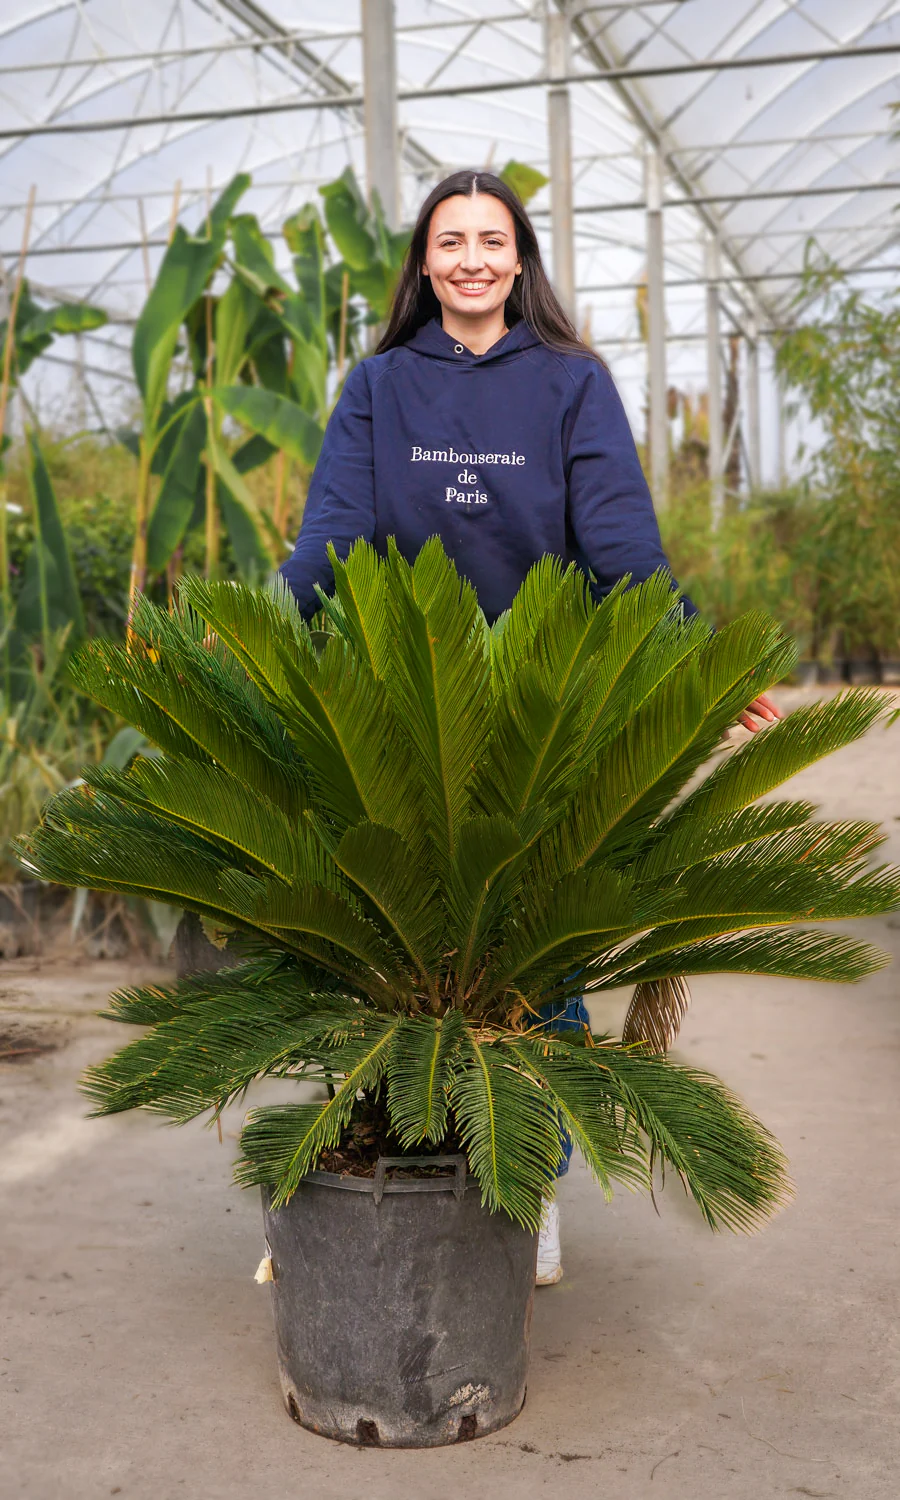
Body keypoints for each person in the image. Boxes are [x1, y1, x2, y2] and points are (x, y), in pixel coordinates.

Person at [280, 169, 780, 1285]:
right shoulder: (378, 387)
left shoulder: (570, 384)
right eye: (448, 240)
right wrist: (253, 636)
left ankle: (531, 1185)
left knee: (532, 957)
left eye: (490, 240)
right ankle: (411, 1161)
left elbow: (618, 544)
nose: (469, 258)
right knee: (398, 939)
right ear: (422, 263)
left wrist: (696, 654)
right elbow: (332, 537)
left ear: (520, 260)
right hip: (395, 706)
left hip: (536, 712)